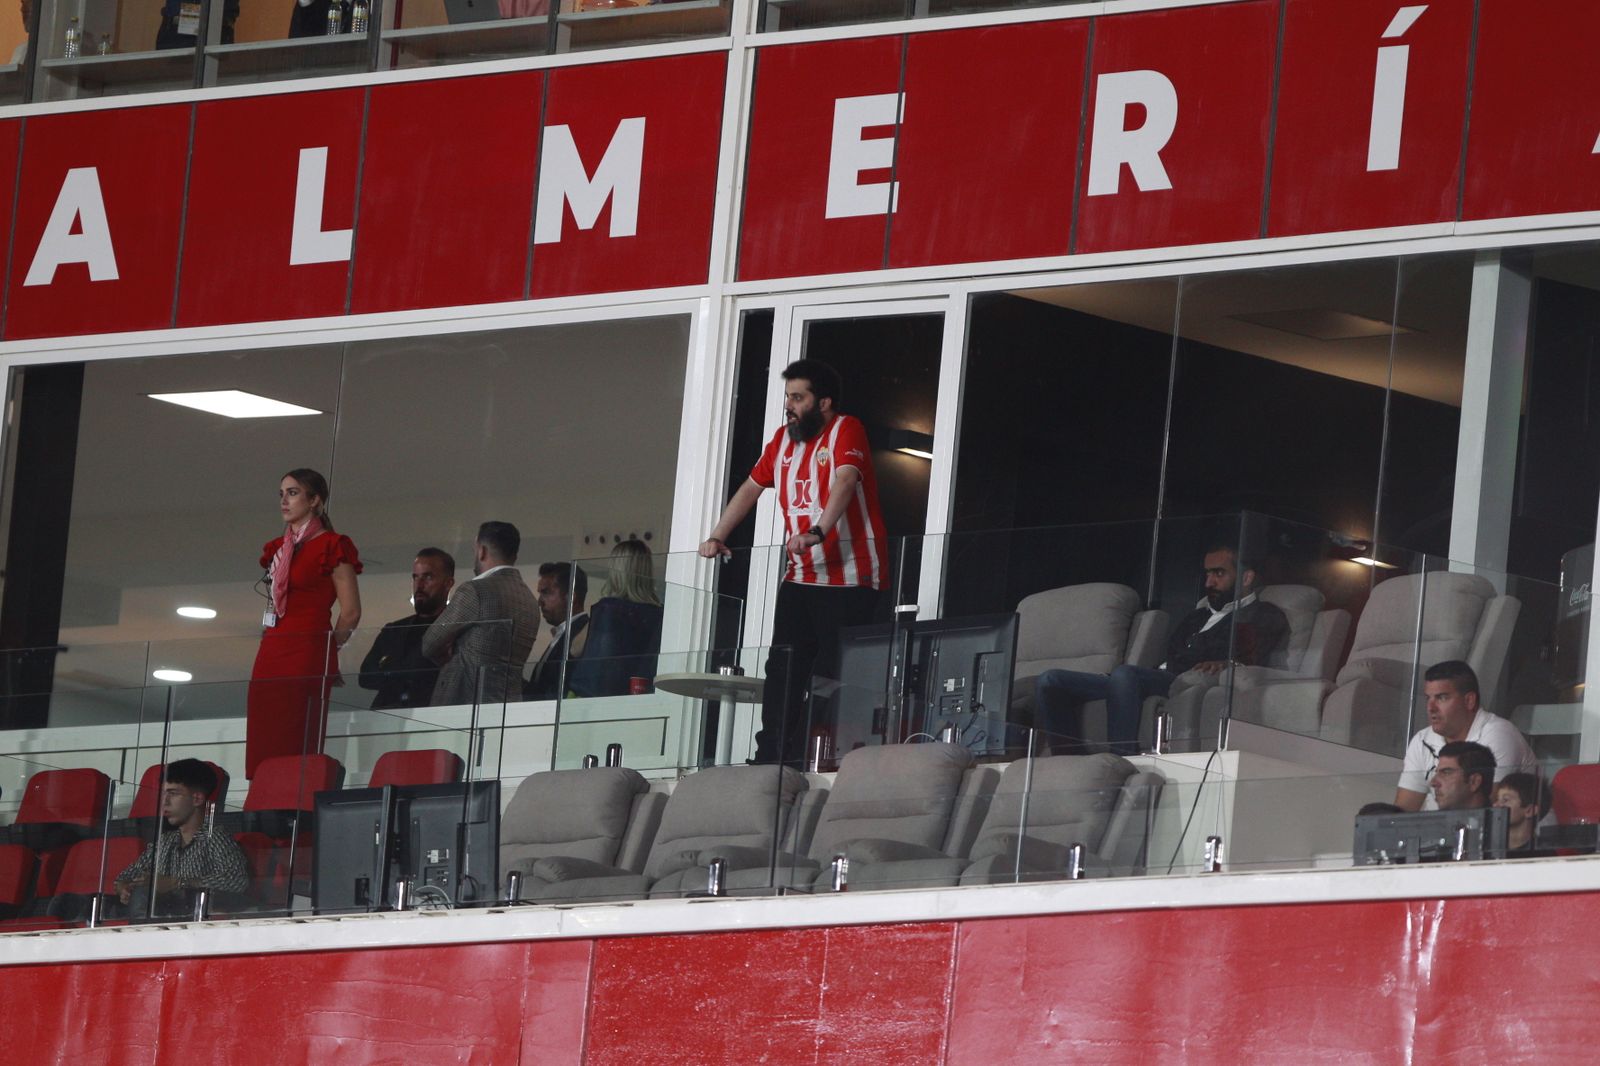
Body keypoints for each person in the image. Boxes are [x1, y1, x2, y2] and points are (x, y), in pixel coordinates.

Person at [700, 359, 887, 764]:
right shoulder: (782, 441)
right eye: (788, 397)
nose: (789, 405)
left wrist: (818, 531)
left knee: (834, 674)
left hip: (850, 578)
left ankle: (821, 755)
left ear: (824, 402)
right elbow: (750, 488)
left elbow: (845, 480)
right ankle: (771, 757)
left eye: (798, 398)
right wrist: (717, 535)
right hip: (801, 576)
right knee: (783, 668)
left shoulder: (846, 428)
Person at [1033, 543, 1288, 756]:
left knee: (1125, 674)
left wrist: (1227, 663)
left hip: (1180, 681)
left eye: (1219, 573)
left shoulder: (1261, 614)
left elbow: (1254, 658)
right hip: (1153, 675)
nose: (1209, 582)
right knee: (1051, 680)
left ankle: (1120, 757)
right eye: (1207, 574)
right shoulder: (1196, 616)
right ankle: (1067, 759)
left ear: (1246, 577)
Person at [245, 468, 362, 779]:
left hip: (307, 648)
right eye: (281, 494)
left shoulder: (333, 545)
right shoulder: (278, 548)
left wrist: (329, 649)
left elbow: (351, 611)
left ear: (315, 500)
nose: (284, 500)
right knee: (265, 728)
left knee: (297, 730)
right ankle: (264, 788)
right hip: (272, 646)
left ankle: (292, 794)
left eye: (293, 493)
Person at [113, 759, 250, 917]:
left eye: (173, 793)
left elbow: (237, 880)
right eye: (163, 794)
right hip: (167, 915)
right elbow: (125, 877)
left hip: (196, 921)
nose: (164, 801)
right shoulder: (165, 841)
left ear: (197, 799)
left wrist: (176, 883)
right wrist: (124, 887)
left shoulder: (214, 836)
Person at [1394, 660, 1536, 812]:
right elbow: (1401, 813)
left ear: (1469, 701)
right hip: (1446, 825)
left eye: (1442, 698)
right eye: (1428, 698)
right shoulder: (1422, 740)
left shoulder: (1499, 734)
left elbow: (1487, 812)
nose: (1431, 708)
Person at [422, 521, 538, 706]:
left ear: (481, 551)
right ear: (514, 555)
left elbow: (429, 643)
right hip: (508, 706)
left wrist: (449, 652)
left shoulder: (475, 591)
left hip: (464, 704)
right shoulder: (529, 600)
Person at [358, 548, 455, 711]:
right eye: (415, 577)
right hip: (387, 713)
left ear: (448, 583)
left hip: (431, 714)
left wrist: (394, 671)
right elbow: (366, 677)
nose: (419, 585)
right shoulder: (395, 630)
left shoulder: (454, 629)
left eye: (428, 577)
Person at [568, 539, 666, 697]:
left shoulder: (608, 610)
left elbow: (575, 649)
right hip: (641, 697)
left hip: (599, 698)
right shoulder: (660, 615)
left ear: (616, 571)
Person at [524, 562, 590, 700]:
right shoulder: (566, 634)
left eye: (546, 592)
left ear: (571, 597)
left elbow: (556, 693)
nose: (539, 602)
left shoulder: (582, 636)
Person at [1429, 740, 1495, 811]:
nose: (1433, 783)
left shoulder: (1499, 818)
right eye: (1436, 772)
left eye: (1446, 772)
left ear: (1474, 782)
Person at [1494, 772, 1546, 855]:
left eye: (1505, 800)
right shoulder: (1489, 848)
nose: (1495, 805)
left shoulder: (1543, 855)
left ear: (1530, 811)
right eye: (1497, 799)